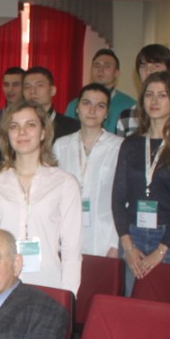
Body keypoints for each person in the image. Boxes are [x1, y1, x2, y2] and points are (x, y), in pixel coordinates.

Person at [0, 102, 82, 294]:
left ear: (43, 133)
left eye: (30, 125)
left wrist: (68, 296)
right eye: (14, 126)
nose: (22, 132)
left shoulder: (65, 183)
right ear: (7, 135)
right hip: (1, 286)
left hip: (48, 284)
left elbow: (71, 251)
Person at [112, 71, 170, 294]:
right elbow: (117, 198)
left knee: (167, 306)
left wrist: (162, 250)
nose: (154, 100)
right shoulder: (130, 144)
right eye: (149, 94)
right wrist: (128, 246)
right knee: (130, 304)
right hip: (133, 235)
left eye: (162, 95)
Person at [53, 83, 123, 257]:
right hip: (66, 235)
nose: (92, 110)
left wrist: (115, 243)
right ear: (77, 108)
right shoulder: (61, 145)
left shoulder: (119, 147)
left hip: (104, 239)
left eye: (100, 106)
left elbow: (123, 199)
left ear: (107, 113)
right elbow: (53, 194)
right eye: (86, 103)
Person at [64, 49, 136, 133]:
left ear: (117, 73)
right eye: (96, 66)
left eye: (107, 66)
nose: (100, 70)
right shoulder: (74, 105)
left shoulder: (130, 106)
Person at [22, 67, 81, 143]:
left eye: (39, 85)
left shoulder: (73, 128)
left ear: (53, 91)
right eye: (27, 87)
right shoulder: (16, 126)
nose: (32, 91)